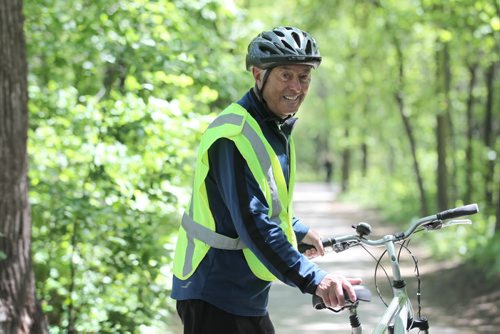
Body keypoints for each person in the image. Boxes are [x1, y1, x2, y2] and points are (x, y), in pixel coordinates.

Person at [171, 26, 361, 334]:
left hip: (243, 290)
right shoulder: (233, 135)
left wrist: (298, 229)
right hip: (214, 289)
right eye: (286, 75)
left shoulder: (273, 127)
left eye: (304, 76)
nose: (297, 87)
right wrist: (314, 279)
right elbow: (254, 224)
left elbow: (264, 198)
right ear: (258, 75)